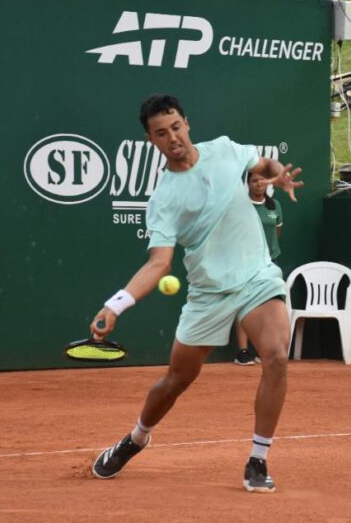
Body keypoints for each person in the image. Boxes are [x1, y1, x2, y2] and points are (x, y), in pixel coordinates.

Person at [88, 94, 303, 493]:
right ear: (151, 140)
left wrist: (279, 175)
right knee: (176, 380)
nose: (172, 137)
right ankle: (136, 437)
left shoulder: (223, 149)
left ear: (187, 123)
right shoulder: (164, 199)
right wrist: (116, 305)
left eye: (175, 127)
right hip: (208, 293)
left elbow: (264, 165)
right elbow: (159, 264)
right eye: (161, 133)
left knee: (275, 355)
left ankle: (258, 459)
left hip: (256, 276)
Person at [234, 172, 284, 366]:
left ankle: (265, 350)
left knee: (269, 309)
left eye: (263, 180)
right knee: (245, 306)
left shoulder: (275, 206)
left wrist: (266, 255)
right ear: (248, 184)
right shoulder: (241, 206)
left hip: (270, 264)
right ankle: (243, 352)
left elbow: (276, 232)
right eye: (254, 181)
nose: (259, 184)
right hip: (245, 263)